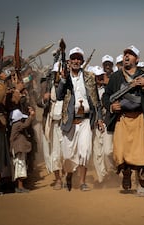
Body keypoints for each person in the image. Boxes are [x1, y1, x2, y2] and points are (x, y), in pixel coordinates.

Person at [102, 45, 144, 196]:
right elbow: (106, 96)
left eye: (131, 54)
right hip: (122, 119)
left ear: (137, 59)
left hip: (141, 118)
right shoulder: (116, 76)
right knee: (121, 153)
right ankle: (126, 173)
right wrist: (111, 106)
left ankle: (141, 185)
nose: (127, 57)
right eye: (125, 54)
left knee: (142, 154)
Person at [56, 46, 101, 191]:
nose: (76, 61)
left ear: (82, 60)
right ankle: (69, 174)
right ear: (69, 61)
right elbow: (58, 96)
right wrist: (63, 80)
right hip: (69, 121)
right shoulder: (64, 76)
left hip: (86, 121)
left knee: (85, 151)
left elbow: (96, 101)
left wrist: (99, 118)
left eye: (78, 58)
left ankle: (82, 182)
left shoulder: (90, 76)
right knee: (68, 155)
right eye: (73, 58)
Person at [37, 61, 64, 190]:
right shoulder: (46, 85)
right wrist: (44, 99)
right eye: (56, 73)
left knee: (68, 153)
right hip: (52, 123)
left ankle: (69, 176)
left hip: (66, 124)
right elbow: (39, 101)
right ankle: (58, 179)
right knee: (55, 153)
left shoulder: (68, 84)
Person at [92, 65, 115, 183]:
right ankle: (102, 177)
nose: (99, 79)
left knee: (108, 150)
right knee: (97, 152)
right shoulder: (89, 90)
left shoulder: (109, 88)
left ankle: (112, 171)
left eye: (101, 76)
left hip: (107, 122)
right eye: (97, 76)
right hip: (94, 124)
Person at [9, 107, 35, 193]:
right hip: (18, 150)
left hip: (17, 149)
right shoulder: (18, 124)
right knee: (20, 167)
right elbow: (26, 125)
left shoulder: (14, 125)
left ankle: (19, 186)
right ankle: (20, 187)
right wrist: (31, 116)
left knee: (19, 167)